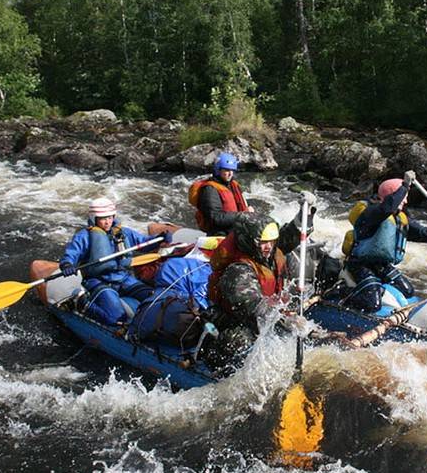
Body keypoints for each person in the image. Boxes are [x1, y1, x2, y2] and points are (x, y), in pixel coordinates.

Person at [206, 192, 316, 360]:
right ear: (249, 240)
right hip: (235, 322)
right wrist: (284, 319)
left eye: (272, 241)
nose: (269, 247)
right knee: (237, 342)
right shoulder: (238, 271)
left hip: (268, 314)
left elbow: (290, 236)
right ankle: (220, 372)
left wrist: (305, 214)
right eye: (263, 242)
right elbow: (253, 305)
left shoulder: (264, 251)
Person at [341, 171, 427, 312]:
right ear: (392, 196)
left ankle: (380, 291)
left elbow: (424, 233)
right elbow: (386, 208)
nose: (405, 201)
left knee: (408, 291)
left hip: (380, 264)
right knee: (372, 304)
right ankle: (341, 291)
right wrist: (405, 185)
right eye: (403, 197)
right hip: (359, 264)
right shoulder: (370, 214)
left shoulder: (399, 218)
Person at [58, 197, 167, 326]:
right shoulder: (84, 236)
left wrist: (160, 238)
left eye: (110, 217)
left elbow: (144, 243)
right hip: (98, 281)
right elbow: (71, 254)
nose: (107, 222)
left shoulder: (124, 233)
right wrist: (67, 264)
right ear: (94, 219)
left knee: (154, 300)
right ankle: (81, 303)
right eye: (103, 218)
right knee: (115, 318)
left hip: (123, 278)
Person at [126, 236, 219, 348]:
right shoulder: (210, 272)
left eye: (140, 273)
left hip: (180, 312)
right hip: (189, 313)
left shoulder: (171, 266)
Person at [188, 152, 253, 235]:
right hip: (219, 233)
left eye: (232, 170)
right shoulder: (209, 189)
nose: (230, 174)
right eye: (226, 170)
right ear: (218, 170)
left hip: (235, 229)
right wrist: (242, 215)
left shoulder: (232, 185)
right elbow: (216, 218)